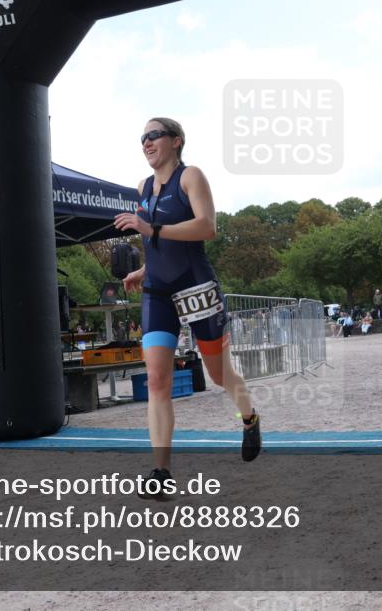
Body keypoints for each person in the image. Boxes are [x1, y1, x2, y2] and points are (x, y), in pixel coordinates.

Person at [114, 117, 260, 499]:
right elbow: (157, 246)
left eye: (153, 135)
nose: (146, 142)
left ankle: (249, 417)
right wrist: (143, 270)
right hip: (158, 293)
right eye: (141, 137)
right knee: (158, 381)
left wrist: (153, 231)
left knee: (218, 375)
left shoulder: (191, 176)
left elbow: (207, 226)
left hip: (197, 288)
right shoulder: (143, 187)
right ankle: (160, 472)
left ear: (175, 141)